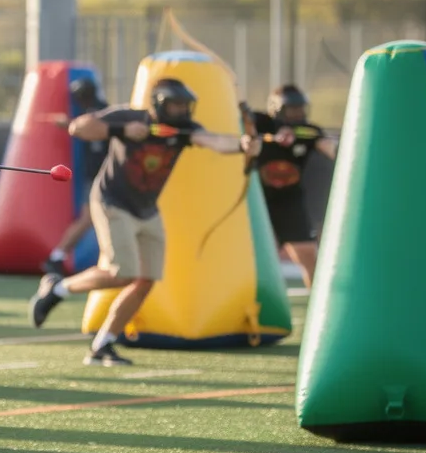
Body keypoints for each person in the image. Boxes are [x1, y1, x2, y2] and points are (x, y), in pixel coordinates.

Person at [28, 78, 261, 366]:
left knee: (146, 280)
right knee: (122, 274)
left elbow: (213, 140)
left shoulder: (184, 129)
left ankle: (103, 345)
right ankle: (57, 289)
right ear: (160, 104)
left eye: (185, 105)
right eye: (176, 105)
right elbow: (79, 127)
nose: (182, 111)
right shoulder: (131, 116)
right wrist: (121, 130)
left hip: (147, 210)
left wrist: (242, 144)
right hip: (113, 202)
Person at [248, 84, 337, 288]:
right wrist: (276, 133)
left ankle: (316, 300)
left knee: (309, 257)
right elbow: (246, 122)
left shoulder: (309, 132)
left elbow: (326, 146)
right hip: (261, 204)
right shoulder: (261, 124)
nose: (297, 114)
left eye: (300, 109)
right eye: (292, 110)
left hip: (290, 203)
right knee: (258, 259)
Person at [42, 76, 110, 276]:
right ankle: (57, 257)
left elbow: (92, 126)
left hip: (105, 176)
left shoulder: (99, 112)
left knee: (92, 218)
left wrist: (69, 124)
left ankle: (58, 256)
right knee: (90, 218)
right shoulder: (97, 111)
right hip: (99, 176)